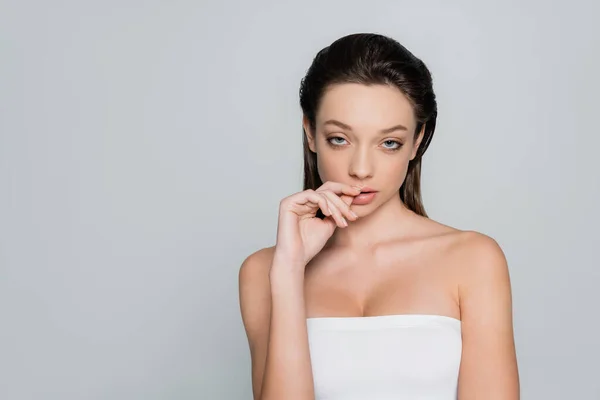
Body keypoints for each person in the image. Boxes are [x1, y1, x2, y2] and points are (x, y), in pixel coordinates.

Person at [238, 33, 520, 400]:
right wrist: (290, 270)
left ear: (417, 141)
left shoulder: (473, 259)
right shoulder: (264, 272)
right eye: (340, 139)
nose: (361, 169)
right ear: (310, 133)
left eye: (389, 143)